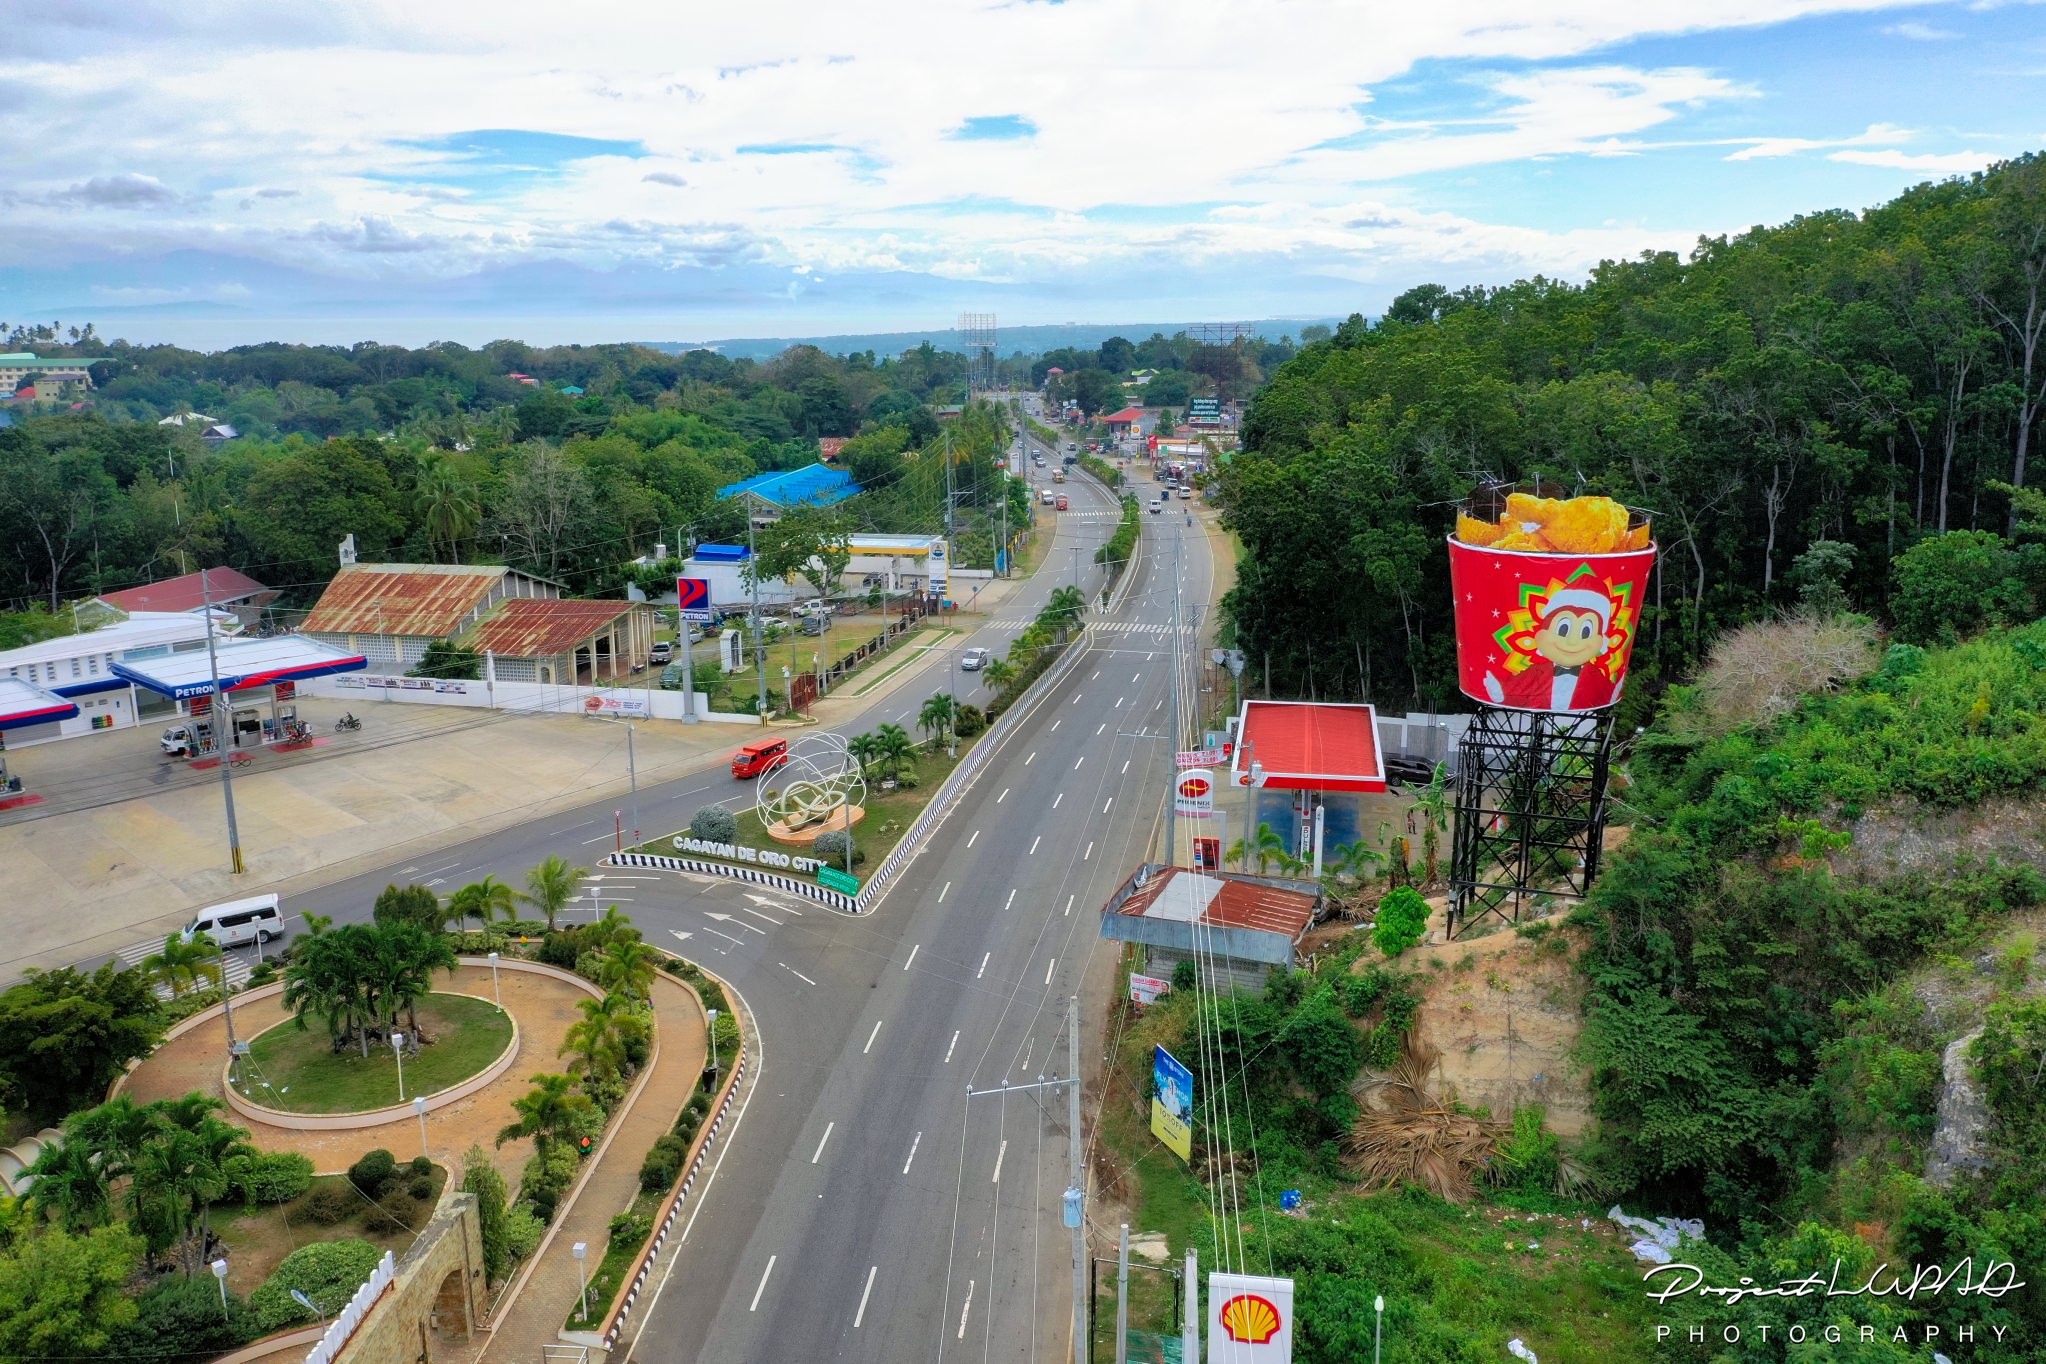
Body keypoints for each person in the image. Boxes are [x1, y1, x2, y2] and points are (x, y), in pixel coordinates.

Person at [1483, 585, 1620, 711]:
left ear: (1601, 640)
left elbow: (1606, 692)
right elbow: (1516, 688)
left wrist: (1614, 691)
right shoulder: (1537, 671)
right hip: (1537, 717)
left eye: (1586, 632)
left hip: (1579, 717)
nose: (1572, 642)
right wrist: (1499, 692)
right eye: (1563, 629)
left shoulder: (1595, 675)